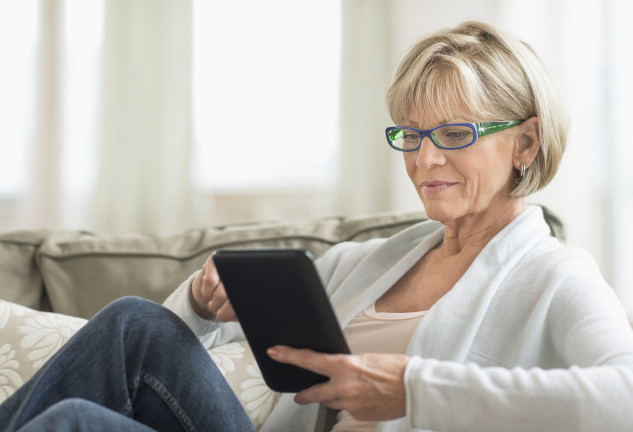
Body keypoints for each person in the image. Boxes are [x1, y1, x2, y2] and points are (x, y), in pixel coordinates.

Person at [2, 20, 633, 432]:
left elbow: (623, 397)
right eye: (410, 136)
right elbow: (205, 354)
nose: (425, 159)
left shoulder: (555, 275)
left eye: (454, 134)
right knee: (135, 324)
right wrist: (198, 304)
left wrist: (416, 388)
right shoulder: (370, 261)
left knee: (78, 424)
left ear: (525, 143)